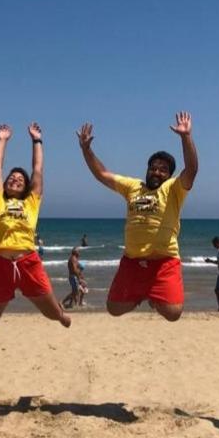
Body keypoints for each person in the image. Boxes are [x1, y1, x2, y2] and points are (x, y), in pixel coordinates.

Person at [77, 111, 198, 321]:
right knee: (114, 308)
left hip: (164, 261)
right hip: (133, 262)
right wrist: (86, 150)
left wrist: (186, 137)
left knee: (173, 314)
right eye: (153, 168)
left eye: (163, 170)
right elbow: (102, 174)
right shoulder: (133, 187)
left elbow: (192, 169)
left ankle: (152, 296)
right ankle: (143, 294)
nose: (157, 172)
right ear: (147, 170)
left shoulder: (174, 188)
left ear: (169, 175)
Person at [0, 123, 71, 346]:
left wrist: (36, 140)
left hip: (28, 263)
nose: (15, 179)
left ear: (26, 187)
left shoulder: (31, 203)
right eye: (12, 177)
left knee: (51, 313)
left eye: (20, 179)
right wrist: (2, 140)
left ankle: (60, 314)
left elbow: (37, 169)